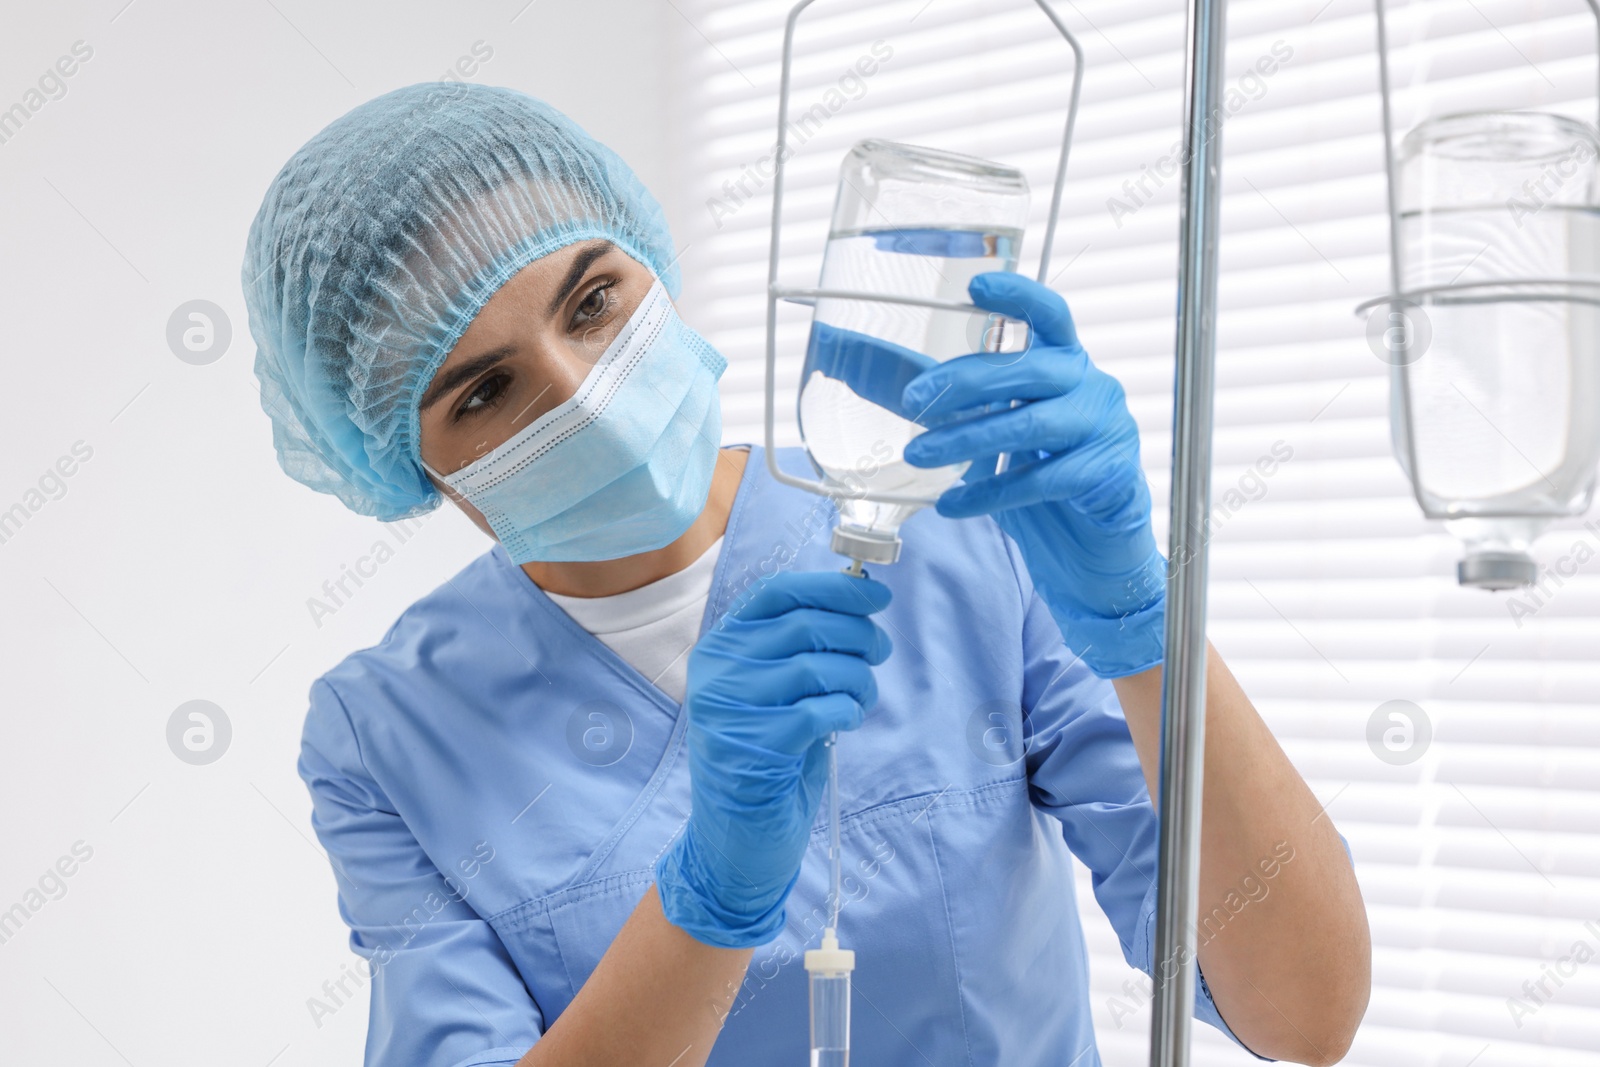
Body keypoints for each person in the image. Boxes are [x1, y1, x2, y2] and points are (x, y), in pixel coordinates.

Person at [242, 82, 1370, 1067]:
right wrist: (712, 891)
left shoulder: (954, 528)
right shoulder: (387, 731)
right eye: (484, 392)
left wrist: (1144, 628)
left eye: (592, 302)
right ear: (407, 466)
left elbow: (1304, 1012)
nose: (582, 391)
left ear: (651, 262)